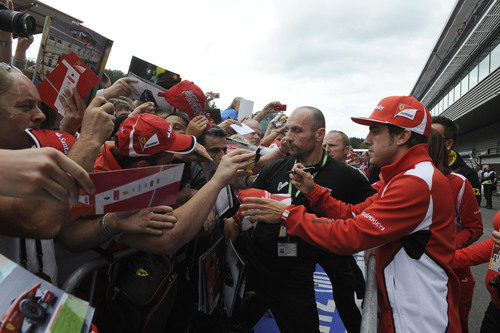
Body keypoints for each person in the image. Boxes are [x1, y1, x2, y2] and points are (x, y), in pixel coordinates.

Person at [241, 96, 460, 332]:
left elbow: (351, 235)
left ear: (403, 136)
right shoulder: (404, 177)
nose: (366, 140)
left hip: (420, 313)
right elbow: (353, 214)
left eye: (375, 131)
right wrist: (315, 192)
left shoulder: (415, 182)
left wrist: (286, 214)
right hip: (405, 301)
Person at [232, 106, 375, 333]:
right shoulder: (276, 167)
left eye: (297, 130)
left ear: (319, 135)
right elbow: (247, 200)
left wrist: (371, 246)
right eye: (287, 130)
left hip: (308, 264)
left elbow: (374, 212)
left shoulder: (346, 175)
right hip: (266, 263)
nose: (288, 137)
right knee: (242, 317)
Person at [428, 129, 483, 332]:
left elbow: (475, 227)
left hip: (454, 270)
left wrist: (445, 248)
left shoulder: (459, 182)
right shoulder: (396, 182)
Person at [453, 210, 500, 332]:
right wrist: (436, 257)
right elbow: (467, 256)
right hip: (495, 306)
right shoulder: (495, 244)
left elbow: (474, 227)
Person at [432, 116, 481, 205]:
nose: (426, 142)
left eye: (433, 138)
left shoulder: (468, 175)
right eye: (425, 137)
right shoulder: (417, 167)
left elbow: (470, 214)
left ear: (449, 143)